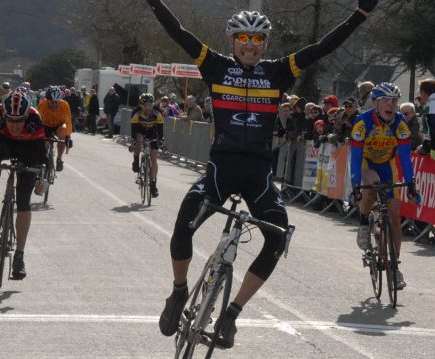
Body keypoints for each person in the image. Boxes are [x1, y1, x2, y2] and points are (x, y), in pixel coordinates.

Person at [147, 0, 379, 348]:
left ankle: (232, 313)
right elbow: (178, 31)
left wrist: (359, 15)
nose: (250, 45)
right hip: (220, 168)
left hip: (258, 173)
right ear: (232, 40)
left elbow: (321, 48)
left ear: (265, 45)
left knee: (278, 235)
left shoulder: (278, 72)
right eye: (244, 38)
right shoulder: (213, 64)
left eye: (258, 40)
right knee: (183, 222)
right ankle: (179, 291)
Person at [350, 82, 418, 290]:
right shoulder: (362, 123)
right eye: (386, 101)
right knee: (372, 183)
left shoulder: (400, 123)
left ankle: (394, 267)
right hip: (366, 163)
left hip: (387, 164)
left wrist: (411, 182)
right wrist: (355, 184)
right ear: (375, 103)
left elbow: (405, 158)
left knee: (395, 215)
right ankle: (363, 221)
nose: (391, 105)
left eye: (394, 101)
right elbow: (355, 157)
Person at [0, 89, 47, 280]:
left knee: (24, 202)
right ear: (4, 115)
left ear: (26, 117)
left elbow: (42, 154)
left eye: (19, 121)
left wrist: (42, 179)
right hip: (3, 145)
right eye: (11, 121)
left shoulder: (35, 118)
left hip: (29, 149)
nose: (15, 126)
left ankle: (19, 257)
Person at [130, 93, 164, 197]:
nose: (147, 108)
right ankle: (136, 160)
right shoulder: (136, 113)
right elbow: (134, 130)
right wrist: (134, 141)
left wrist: (161, 141)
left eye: (149, 106)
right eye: (144, 106)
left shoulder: (158, 113)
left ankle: (153, 184)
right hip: (140, 131)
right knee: (138, 140)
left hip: (152, 133)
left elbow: (160, 130)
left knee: (154, 158)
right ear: (140, 105)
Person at [37, 86, 72, 172]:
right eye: (52, 102)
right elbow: (37, 121)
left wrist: (68, 136)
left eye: (57, 102)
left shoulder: (64, 105)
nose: (54, 105)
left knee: (63, 134)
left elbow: (68, 121)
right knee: (45, 144)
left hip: (59, 125)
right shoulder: (42, 104)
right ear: (47, 100)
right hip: (45, 125)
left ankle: (59, 159)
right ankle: (43, 158)